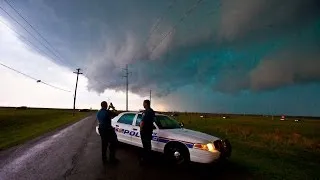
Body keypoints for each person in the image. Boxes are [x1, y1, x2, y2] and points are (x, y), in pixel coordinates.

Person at [139, 99, 155, 164]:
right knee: (148, 145)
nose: (143, 104)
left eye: (143, 103)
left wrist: (140, 129)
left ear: (146, 104)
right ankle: (149, 159)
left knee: (145, 146)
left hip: (144, 131)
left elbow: (142, 122)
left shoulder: (145, 112)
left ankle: (145, 160)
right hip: (149, 131)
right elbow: (153, 121)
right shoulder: (152, 111)